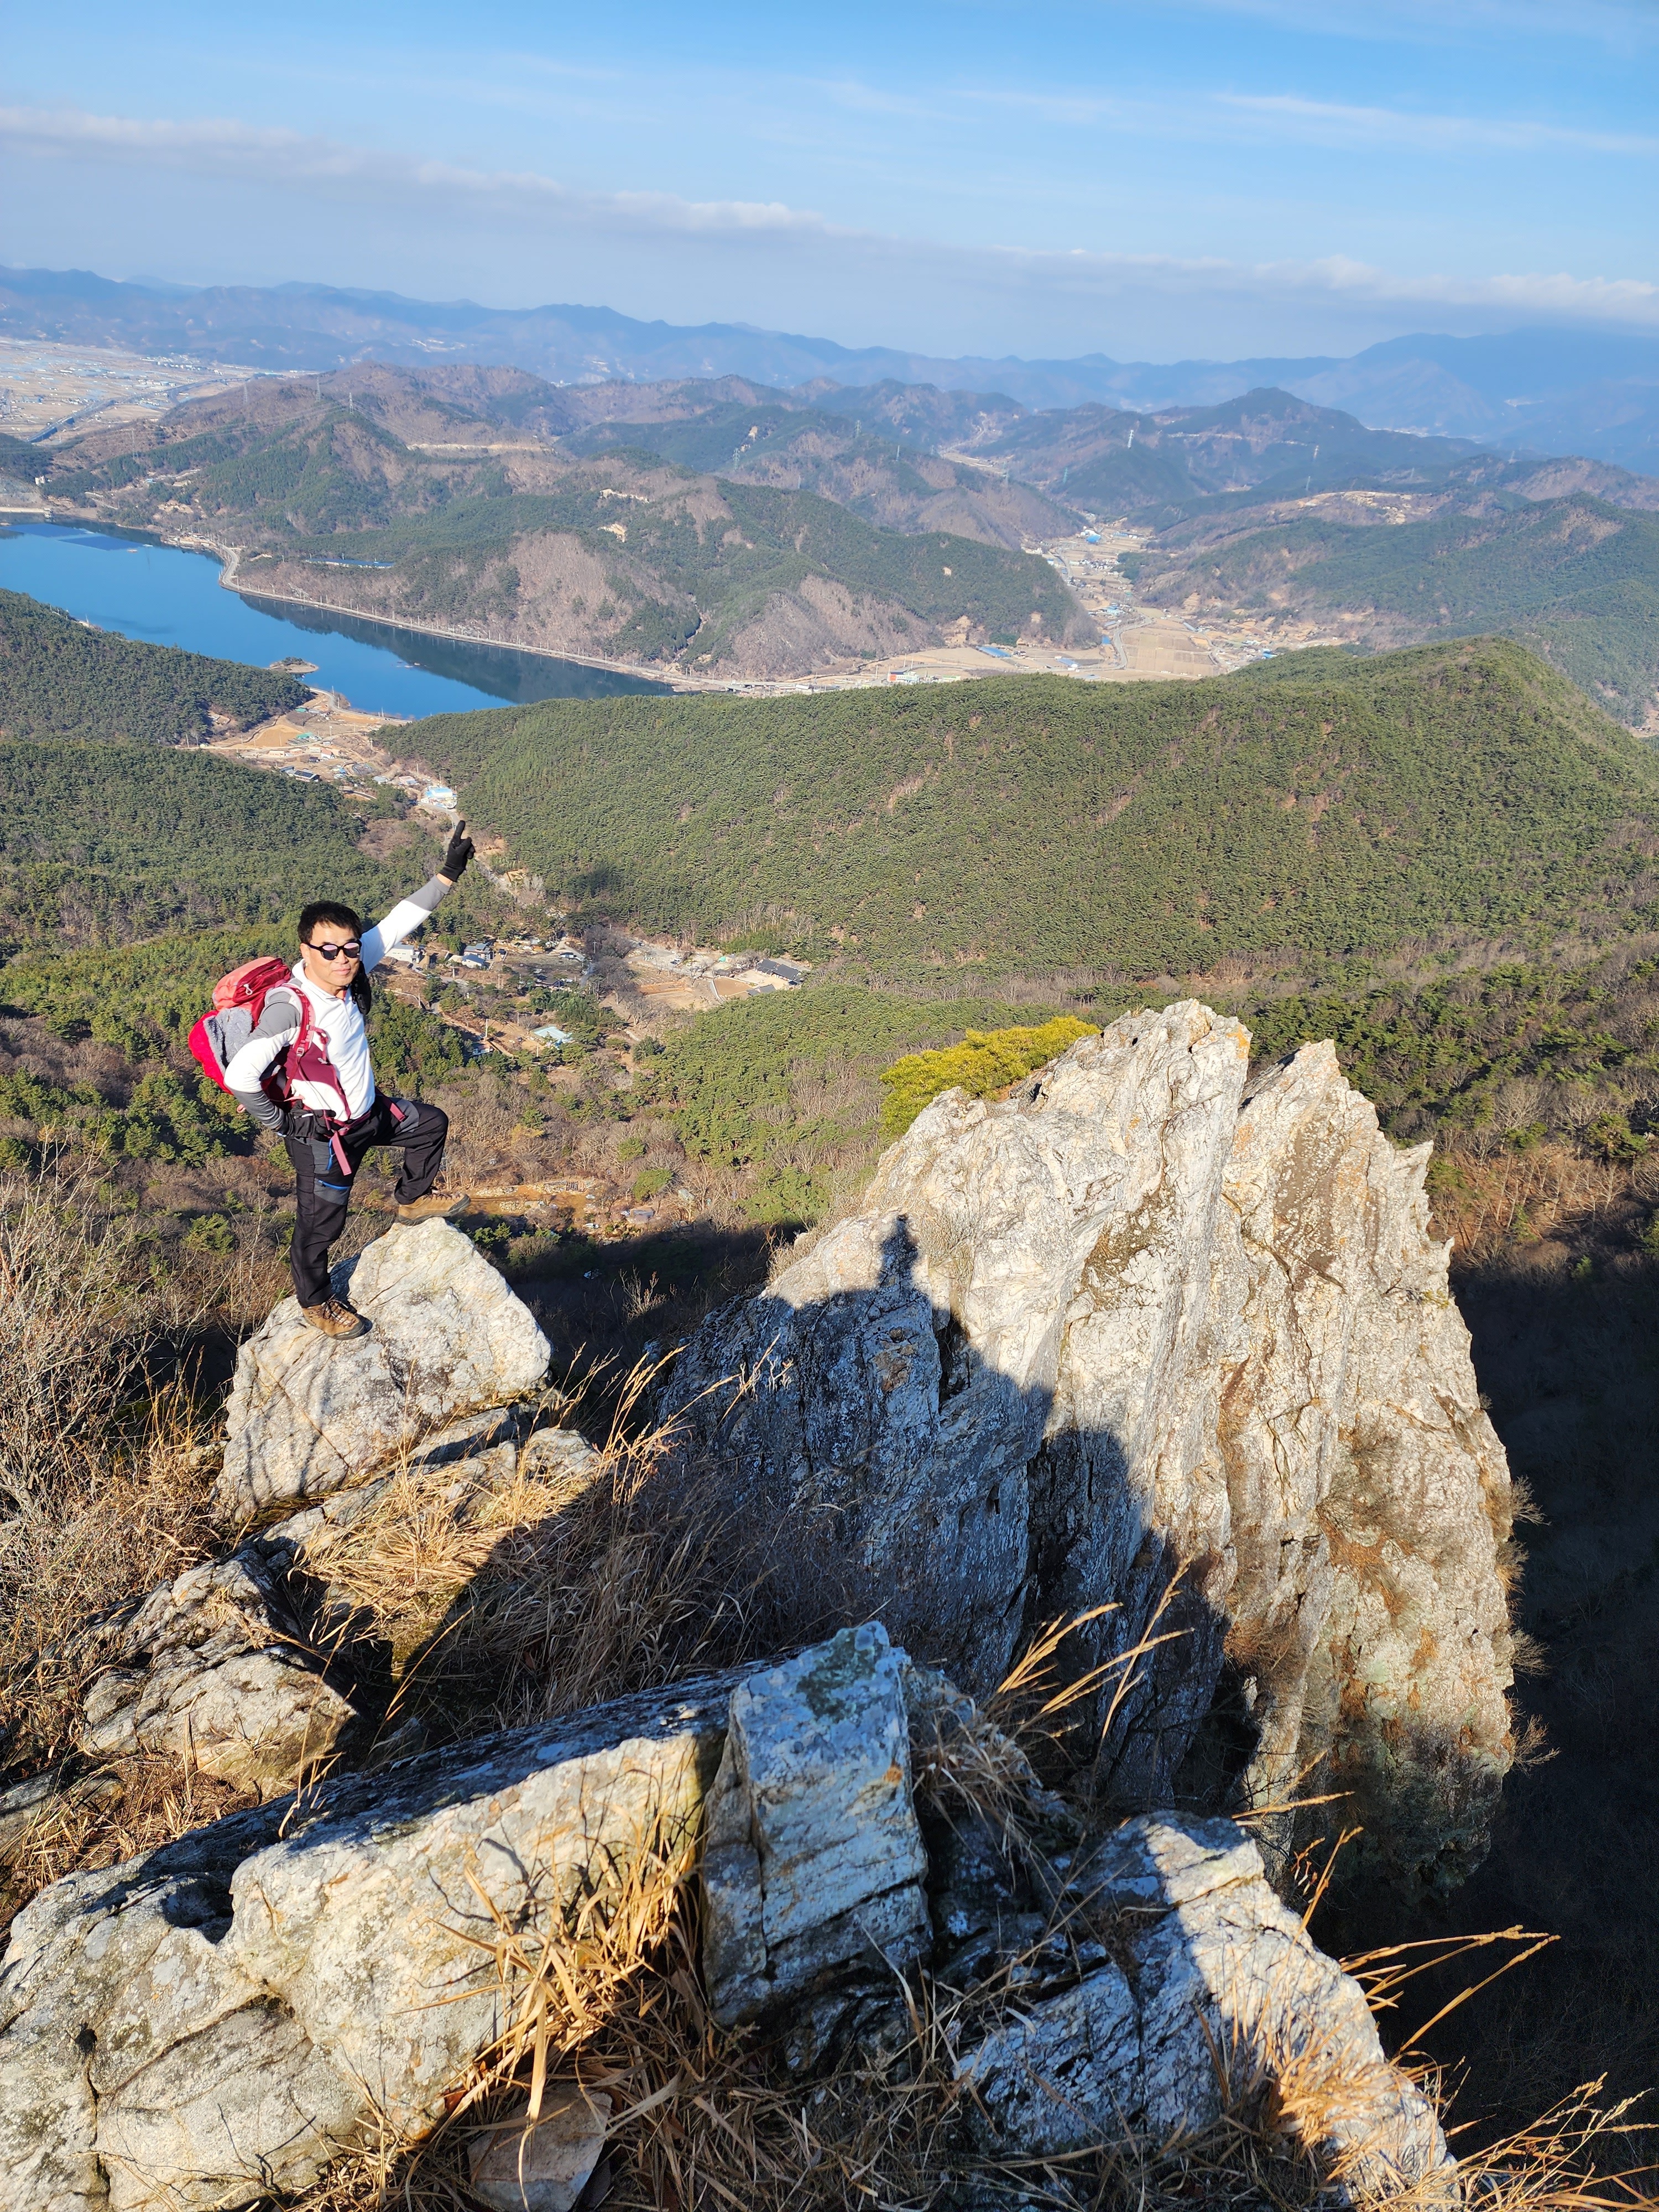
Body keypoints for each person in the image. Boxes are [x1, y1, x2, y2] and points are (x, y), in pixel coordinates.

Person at [224, 821, 476, 1339]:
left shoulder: (353, 968)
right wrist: (284, 1123)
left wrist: (448, 874)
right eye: (328, 950)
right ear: (306, 950)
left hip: (369, 1113)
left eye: (350, 948)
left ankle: (412, 1199)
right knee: (322, 1225)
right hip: (324, 1137)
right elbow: (240, 1074)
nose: (342, 958)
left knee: (430, 1125)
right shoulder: (291, 1007)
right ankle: (316, 1302)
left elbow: (401, 920)